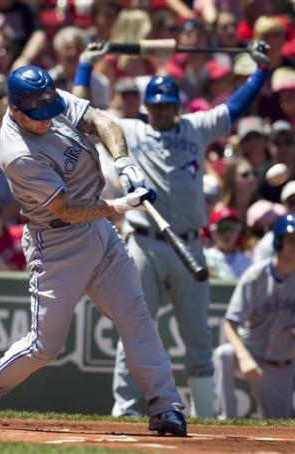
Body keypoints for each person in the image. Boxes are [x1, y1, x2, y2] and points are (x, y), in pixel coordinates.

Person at [0, 65, 188, 437]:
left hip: (98, 230)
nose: (48, 118)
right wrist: (120, 205)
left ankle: (165, 406)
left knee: (136, 316)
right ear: (17, 110)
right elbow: (65, 210)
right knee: (45, 346)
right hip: (56, 242)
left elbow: (102, 122)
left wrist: (124, 162)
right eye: (37, 116)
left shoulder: (47, 99)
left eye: (50, 108)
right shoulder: (17, 153)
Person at [105, 40, 272, 417]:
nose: (162, 112)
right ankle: (126, 408)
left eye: (168, 105)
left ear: (177, 105)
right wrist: (87, 67)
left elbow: (234, 108)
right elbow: (86, 114)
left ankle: (207, 413)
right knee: (135, 328)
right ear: (146, 106)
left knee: (197, 334)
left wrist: (261, 72)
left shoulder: (194, 128)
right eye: (157, 106)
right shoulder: (130, 129)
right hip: (144, 242)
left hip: (188, 242)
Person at [213, 213, 295, 419]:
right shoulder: (256, 275)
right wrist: (244, 357)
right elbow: (230, 324)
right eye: (291, 240)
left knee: (279, 426)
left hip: (281, 365)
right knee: (225, 355)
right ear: (278, 241)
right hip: (251, 354)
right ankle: (226, 420)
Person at [205, 207, 253, 280]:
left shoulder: (247, 261)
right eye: (222, 228)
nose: (227, 234)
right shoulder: (204, 258)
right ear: (213, 231)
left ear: (238, 232)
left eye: (232, 228)